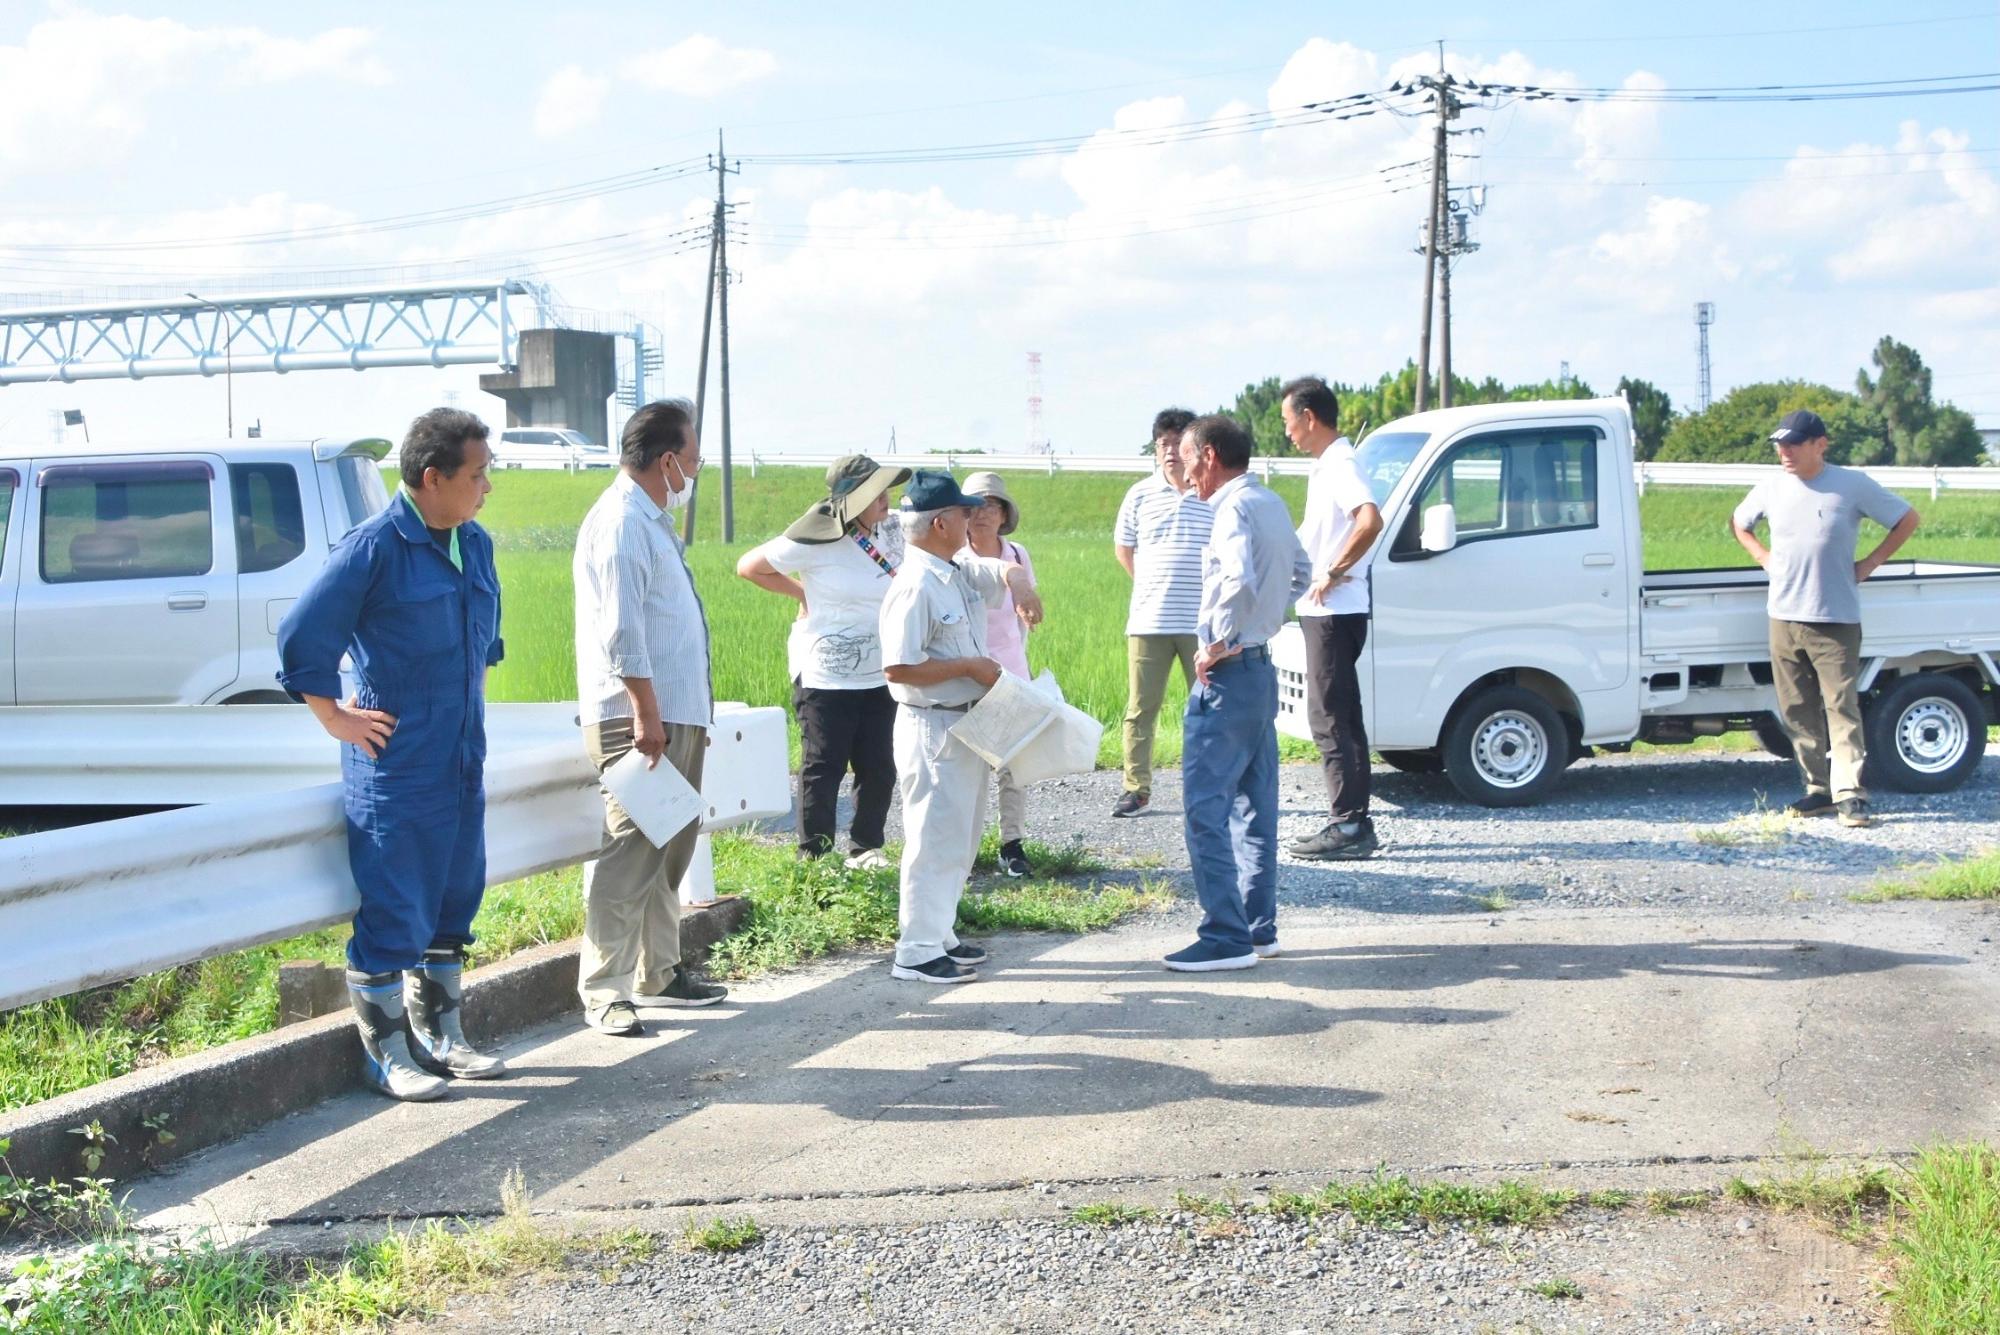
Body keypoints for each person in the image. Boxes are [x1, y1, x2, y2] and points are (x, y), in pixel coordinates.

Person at [278, 407, 508, 1102]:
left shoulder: (475, 543)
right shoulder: (373, 547)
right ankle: (387, 1052)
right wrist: (334, 716)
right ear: (432, 478)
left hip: (460, 755)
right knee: (396, 906)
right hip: (398, 764)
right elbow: (301, 636)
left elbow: (480, 649)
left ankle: (442, 1035)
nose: (487, 486)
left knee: (451, 900)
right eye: (478, 473)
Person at [572, 398, 730, 1036]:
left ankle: (659, 972)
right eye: (691, 461)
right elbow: (621, 632)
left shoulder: (648, 519)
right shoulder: (620, 522)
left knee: (669, 846)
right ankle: (604, 989)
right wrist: (646, 711)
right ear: (668, 461)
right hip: (639, 715)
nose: (692, 474)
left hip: (672, 712)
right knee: (632, 850)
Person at [879, 470, 1043, 983]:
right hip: (933, 726)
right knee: (933, 838)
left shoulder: (952, 569)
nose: (973, 517)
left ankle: (940, 932)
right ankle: (917, 949)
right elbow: (899, 669)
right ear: (942, 522)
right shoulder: (916, 584)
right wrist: (969, 667)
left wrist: (1021, 582)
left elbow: (998, 573)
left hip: (965, 724)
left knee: (962, 835)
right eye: (963, 511)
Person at [1731, 409, 1920, 829]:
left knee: (1841, 707)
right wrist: (1763, 557)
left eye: (1794, 444)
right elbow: (1740, 523)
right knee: (1797, 709)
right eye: (1780, 445)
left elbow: (1907, 518)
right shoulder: (1773, 486)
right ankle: (1817, 790)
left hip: (1834, 618)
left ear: (1821, 444)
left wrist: (1869, 564)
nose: (1785, 452)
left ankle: (1850, 794)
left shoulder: (1851, 485)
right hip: (1783, 616)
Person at [1167, 414, 1309, 973]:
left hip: (1228, 675)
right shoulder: (1269, 502)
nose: (1183, 470)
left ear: (1209, 455)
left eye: (1186, 457)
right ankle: (1257, 928)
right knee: (1254, 808)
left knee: (1205, 809)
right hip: (1260, 671)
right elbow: (1300, 571)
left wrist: (1217, 643)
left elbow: (1235, 577)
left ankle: (1225, 937)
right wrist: (1262, 621)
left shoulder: (1230, 507)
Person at [736, 456, 913, 869]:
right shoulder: (814, 536)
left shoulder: (892, 531)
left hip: (881, 668)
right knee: (824, 765)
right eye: (875, 492)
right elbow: (750, 567)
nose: (885, 498)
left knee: (879, 765)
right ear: (853, 499)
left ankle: (865, 849)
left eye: (886, 488)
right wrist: (802, 594)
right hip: (826, 676)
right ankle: (814, 857)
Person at [1281, 376, 1385, 861]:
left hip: (1334, 611)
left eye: (1288, 422)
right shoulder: (1328, 465)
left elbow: (1370, 519)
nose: (1287, 433)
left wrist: (1333, 571)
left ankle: (1347, 827)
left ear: (1309, 417)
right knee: (1341, 714)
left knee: (1329, 717)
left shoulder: (1341, 463)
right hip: (1329, 611)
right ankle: (1352, 821)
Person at [1111, 407, 1211, 818]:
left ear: (1193, 448)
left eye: (1176, 443)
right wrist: (1154, 586)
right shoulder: (1139, 494)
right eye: (1162, 444)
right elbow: (1124, 550)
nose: (1170, 452)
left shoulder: (1211, 493)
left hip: (1202, 624)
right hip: (1149, 621)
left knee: (1206, 710)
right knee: (1140, 710)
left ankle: (1205, 788)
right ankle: (1136, 789)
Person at [959, 471, 1040, 878]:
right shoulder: (955, 557)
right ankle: (966, 848)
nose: (984, 514)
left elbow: (1023, 617)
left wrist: (1018, 663)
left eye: (993, 505)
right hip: (966, 675)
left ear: (1004, 513)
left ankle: (1012, 844)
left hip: (1011, 673)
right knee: (970, 767)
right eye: (975, 506)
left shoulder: (1019, 555)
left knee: (1012, 766)